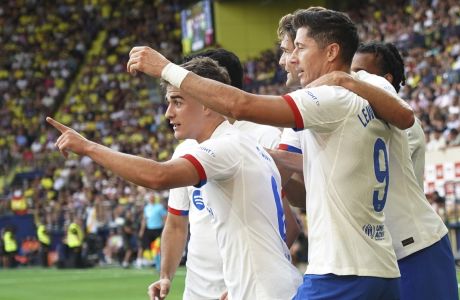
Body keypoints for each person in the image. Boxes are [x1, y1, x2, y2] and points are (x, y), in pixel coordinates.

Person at [127, 8, 418, 299]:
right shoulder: (366, 90)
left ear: (331, 52)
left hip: (341, 270)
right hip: (380, 266)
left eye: (299, 48)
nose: (291, 58)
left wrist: (166, 68)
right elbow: (406, 117)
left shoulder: (328, 98)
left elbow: (240, 106)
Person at [47, 57, 302, 299]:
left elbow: (159, 175)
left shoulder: (228, 147)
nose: (169, 113)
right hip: (262, 288)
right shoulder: (243, 145)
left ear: (207, 103)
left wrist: (89, 147)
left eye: (177, 101)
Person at [160, 48, 300, 300]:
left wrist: (249, 278)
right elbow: (176, 223)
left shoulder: (259, 136)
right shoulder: (187, 145)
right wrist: (165, 276)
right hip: (198, 290)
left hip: (243, 288)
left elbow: (286, 221)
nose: (170, 112)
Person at [349, 41, 457, 300]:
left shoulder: (405, 126)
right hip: (384, 253)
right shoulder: (362, 121)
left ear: (385, 80)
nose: (354, 78)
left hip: (415, 248)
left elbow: (363, 172)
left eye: (362, 72)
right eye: (352, 72)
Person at [136, 193, 167, 268]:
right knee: (143, 245)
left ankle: (158, 264)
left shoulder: (159, 207)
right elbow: (144, 219)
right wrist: (141, 230)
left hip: (157, 229)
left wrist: (165, 228)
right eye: (150, 197)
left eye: (152, 197)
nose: (151, 199)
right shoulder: (147, 208)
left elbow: (164, 218)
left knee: (157, 247)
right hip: (149, 229)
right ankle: (140, 262)